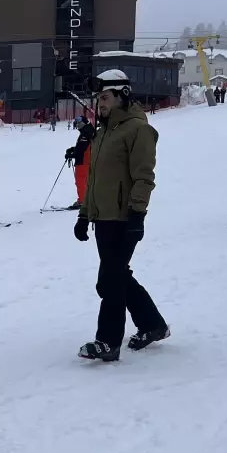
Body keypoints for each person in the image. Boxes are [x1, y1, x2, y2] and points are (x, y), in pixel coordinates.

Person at [73, 70, 167, 362]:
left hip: (124, 218)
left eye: (105, 97)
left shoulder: (138, 130)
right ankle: (153, 325)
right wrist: (84, 215)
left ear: (122, 96)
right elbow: (95, 180)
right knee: (115, 277)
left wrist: (137, 215)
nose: (100, 103)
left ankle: (108, 342)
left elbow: (144, 177)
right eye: (98, 98)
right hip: (103, 217)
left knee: (111, 281)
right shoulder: (103, 133)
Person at [66, 115, 95, 210]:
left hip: (83, 161)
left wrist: (72, 154)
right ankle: (86, 200)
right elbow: (81, 148)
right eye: (76, 123)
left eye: (79, 123)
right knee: (85, 181)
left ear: (83, 122)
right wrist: (72, 150)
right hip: (85, 161)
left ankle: (82, 201)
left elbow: (82, 149)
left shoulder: (86, 133)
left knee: (80, 181)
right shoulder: (87, 131)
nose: (77, 125)